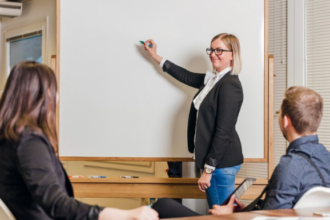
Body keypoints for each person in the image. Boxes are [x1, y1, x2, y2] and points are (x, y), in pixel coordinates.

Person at [0, 61, 159, 220]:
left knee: (164, 206)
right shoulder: (28, 143)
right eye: (54, 90)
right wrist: (125, 215)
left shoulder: (9, 138)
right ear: (44, 94)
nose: (57, 97)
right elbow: (57, 204)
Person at [152, 86, 330, 218]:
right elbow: (279, 211)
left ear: (285, 121)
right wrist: (245, 210)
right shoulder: (326, 159)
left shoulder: (290, 167)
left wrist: (229, 216)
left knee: (163, 205)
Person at [143, 33, 244, 208]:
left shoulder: (229, 85)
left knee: (220, 215)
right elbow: (186, 76)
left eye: (219, 50)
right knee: (222, 213)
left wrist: (208, 170)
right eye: (211, 49)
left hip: (221, 164)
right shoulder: (213, 79)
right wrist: (155, 56)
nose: (213, 54)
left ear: (232, 54)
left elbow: (223, 132)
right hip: (218, 164)